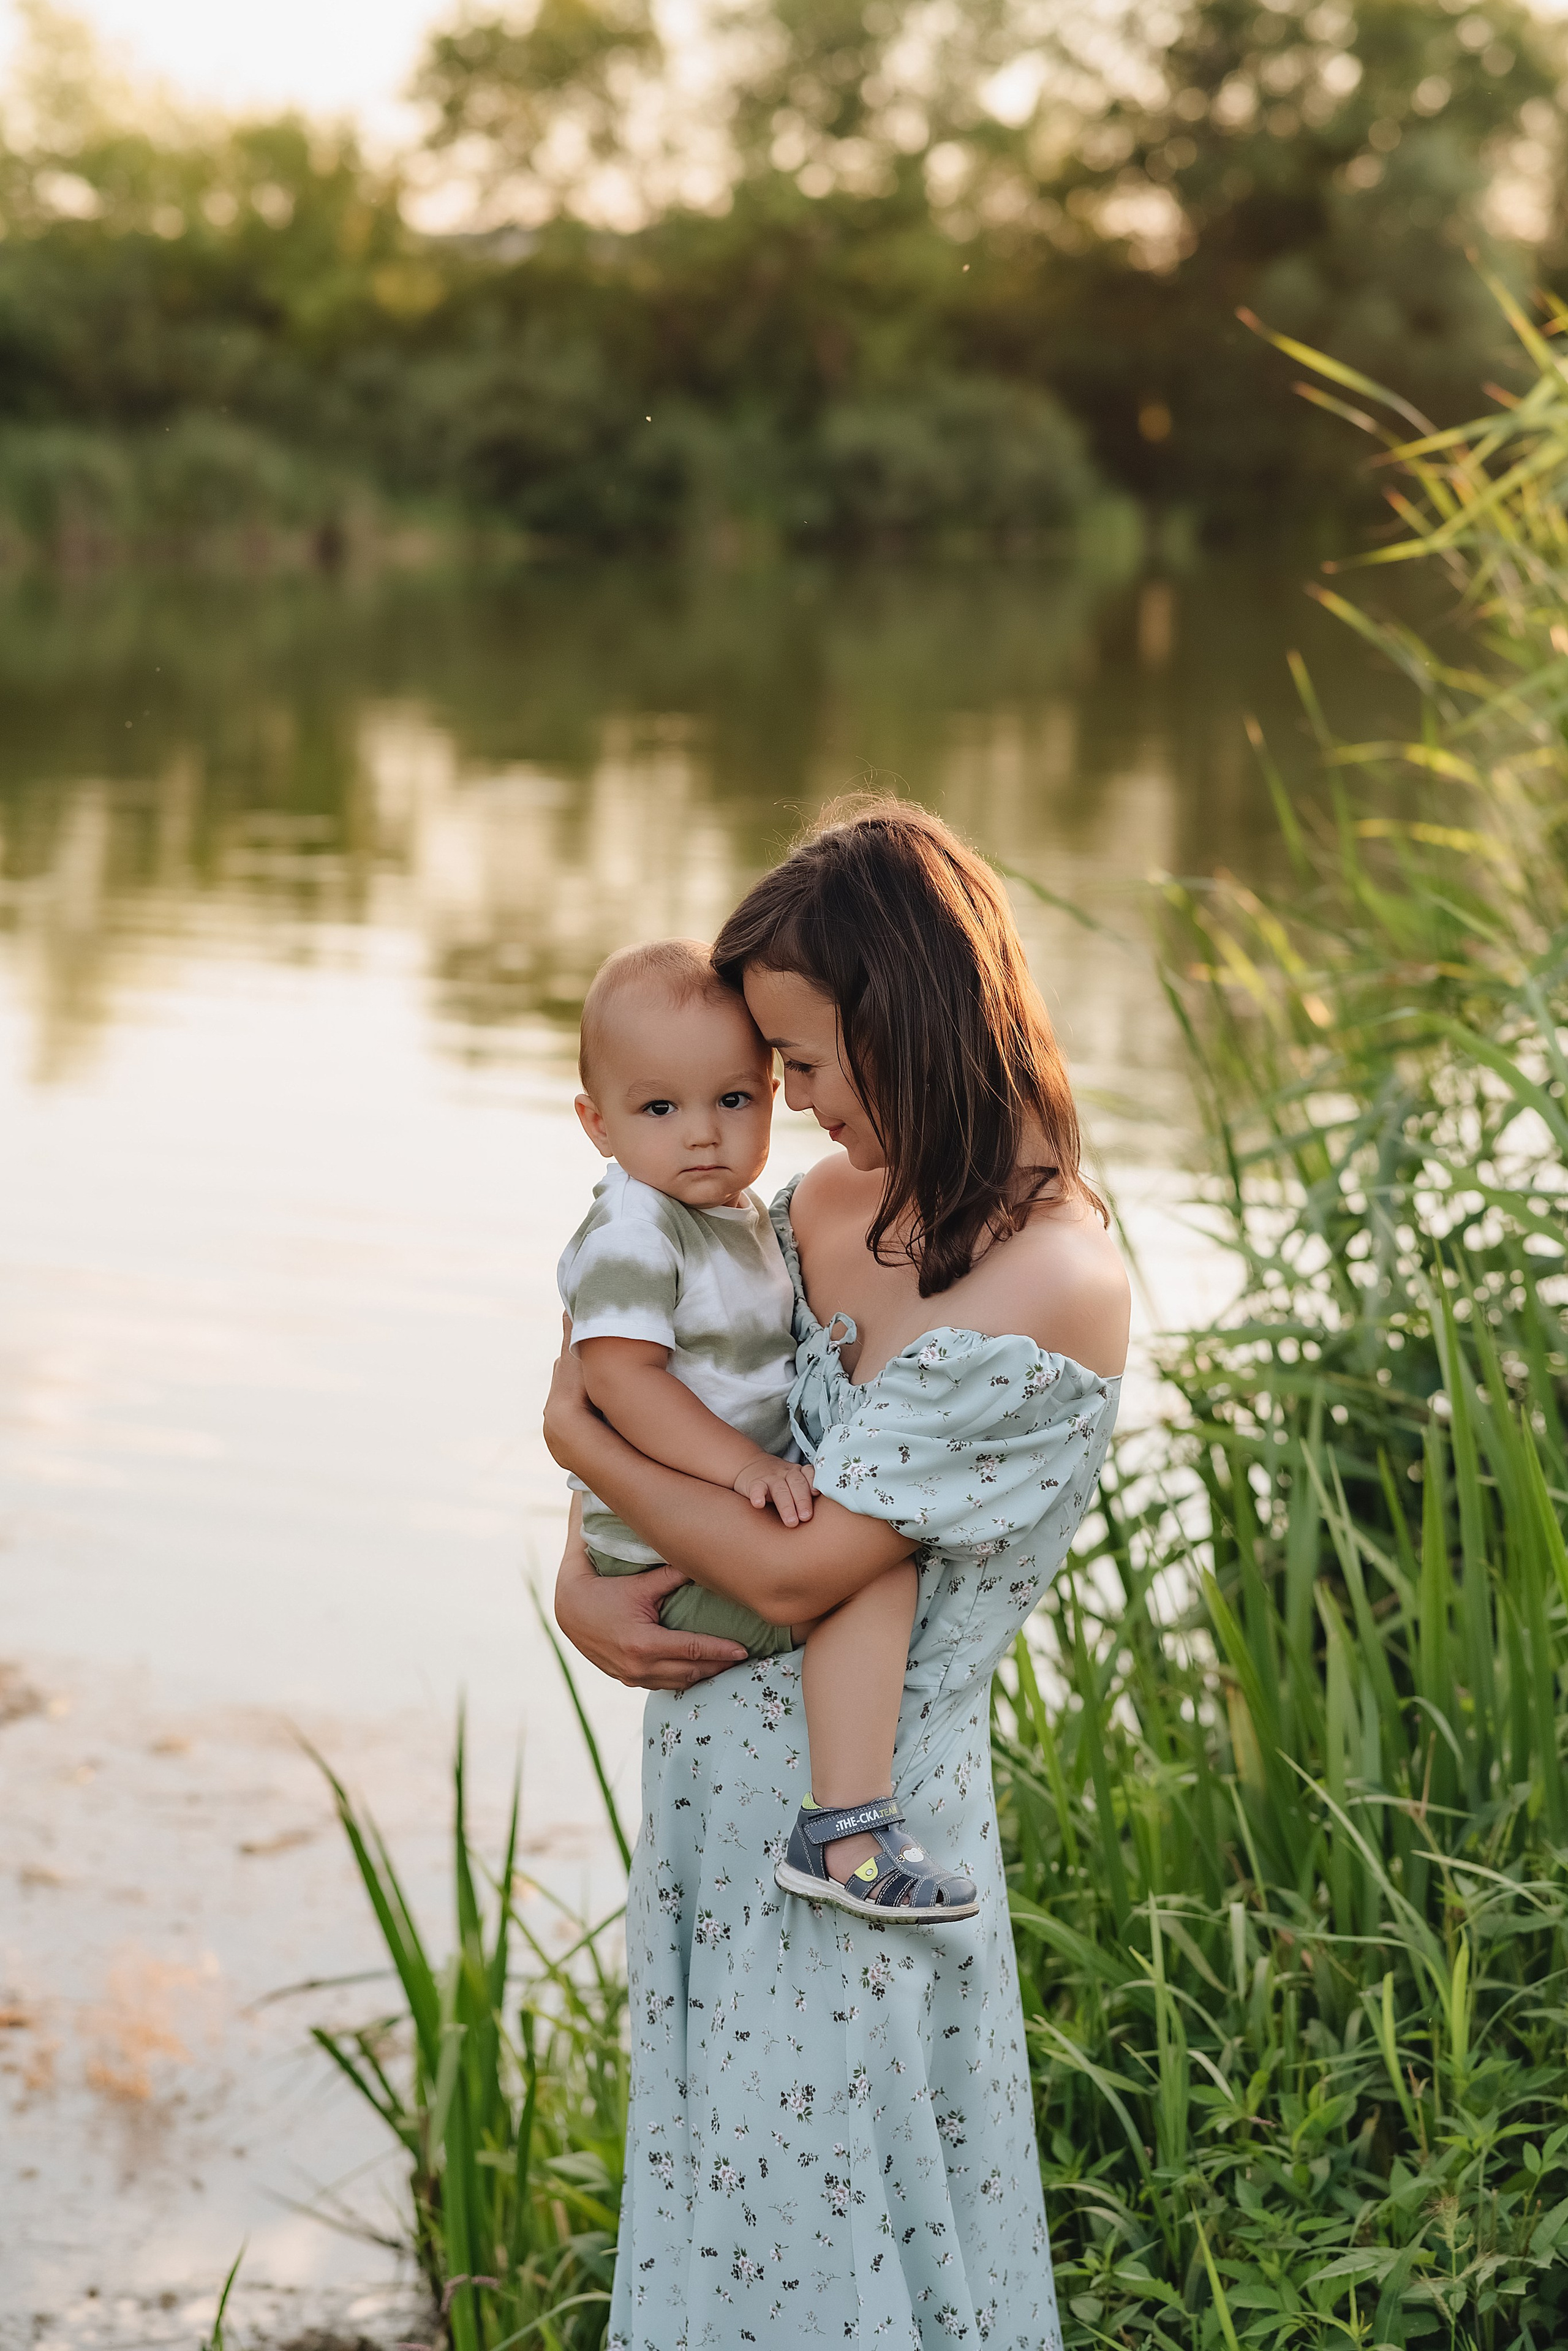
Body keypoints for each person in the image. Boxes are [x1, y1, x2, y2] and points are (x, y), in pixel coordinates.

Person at [545, 799, 1130, 2350]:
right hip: (710, 1819)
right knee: (716, 2250)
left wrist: (574, 1437)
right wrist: (577, 1569)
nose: (786, 1106)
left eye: (805, 1063)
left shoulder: (1047, 1282)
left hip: (858, 1848)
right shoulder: (810, 1213)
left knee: (832, 2266)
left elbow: (798, 1577)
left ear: (908, 1022)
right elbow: (696, 1407)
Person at [559, 935, 973, 1919]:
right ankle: (846, 1827)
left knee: (857, 1561)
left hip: (700, 1515)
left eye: (734, 1099)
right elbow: (616, 1384)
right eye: (660, 1109)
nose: (701, 1134)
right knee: (870, 1573)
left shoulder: (736, 1214)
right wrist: (743, 1467)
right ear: (597, 1123)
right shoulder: (632, 1228)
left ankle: (842, 1814)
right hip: (670, 1548)